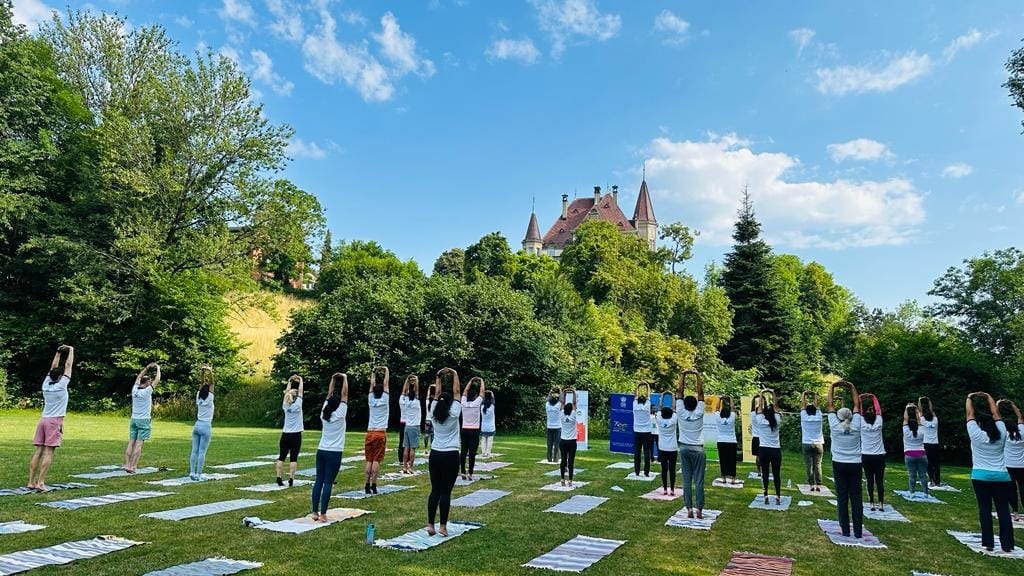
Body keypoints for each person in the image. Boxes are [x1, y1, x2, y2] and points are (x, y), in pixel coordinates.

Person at [966, 392, 1014, 553]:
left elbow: (970, 413)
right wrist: (988, 397)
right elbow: (996, 413)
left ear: (980, 424)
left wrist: (969, 398)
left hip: (980, 476)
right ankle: (1007, 544)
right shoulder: (1001, 432)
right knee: (1003, 511)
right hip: (1002, 476)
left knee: (984, 510)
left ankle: (989, 543)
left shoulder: (976, 434)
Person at [28, 345, 74, 491]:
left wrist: (58, 352)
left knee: (38, 451)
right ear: (60, 377)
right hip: (54, 421)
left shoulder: (46, 384)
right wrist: (71, 350)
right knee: (49, 452)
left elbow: (53, 367)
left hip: (43, 420)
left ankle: (31, 482)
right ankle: (41, 483)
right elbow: (68, 365)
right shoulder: (62, 385)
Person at [426, 368, 462, 537]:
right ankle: (442, 526)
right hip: (451, 454)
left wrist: (438, 377)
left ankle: (430, 524)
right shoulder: (454, 413)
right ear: (450, 403)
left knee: (435, 490)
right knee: (445, 492)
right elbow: (456, 392)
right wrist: (454, 374)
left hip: (435, 453)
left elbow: (437, 393)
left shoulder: (433, 411)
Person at [828, 380, 864, 539]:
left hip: (839, 463)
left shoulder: (835, 426)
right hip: (855, 463)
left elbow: (829, 405)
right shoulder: (857, 424)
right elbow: (857, 404)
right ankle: (857, 531)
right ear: (851, 415)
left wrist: (832, 387)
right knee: (856, 498)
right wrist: (852, 386)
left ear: (838, 416)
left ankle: (845, 530)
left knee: (842, 498)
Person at [311, 373, 348, 522]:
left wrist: (332, 379)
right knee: (327, 482)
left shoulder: (323, 414)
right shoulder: (340, 413)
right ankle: (323, 514)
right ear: (338, 405)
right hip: (334, 452)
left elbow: (329, 394)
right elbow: (345, 394)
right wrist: (344, 378)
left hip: (321, 450)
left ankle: (314, 512)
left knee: (319, 481)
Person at [676, 370, 706, 518]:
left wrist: (683, 376)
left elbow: (679, 392)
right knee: (699, 481)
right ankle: (699, 509)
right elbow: (701, 394)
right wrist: (697, 377)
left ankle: (689, 508)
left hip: (684, 448)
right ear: (696, 404)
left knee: (686, 480)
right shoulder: (700, 411)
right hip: (698, 449)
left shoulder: (680, 412)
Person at [124, 362, 160, 473]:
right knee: (139, 444)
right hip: (144, 420)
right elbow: (157, 379)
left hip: (134, 419)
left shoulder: (134, 390)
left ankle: (126, 464)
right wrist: (157, 368)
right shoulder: (147, 391)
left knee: (131, 442)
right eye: (149, 381)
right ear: (147, 382)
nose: (150, 383)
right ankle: (133, 466)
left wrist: (147, 368)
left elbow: (139, 377)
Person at [364, 366, 390, 494]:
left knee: (369, 459)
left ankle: (366, 485)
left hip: (369, 432)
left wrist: (373, 372)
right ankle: (374, 484)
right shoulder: (385, 399)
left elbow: (371, 384)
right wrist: (385, 370)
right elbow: (386, 383)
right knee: (376, 460)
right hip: (380, 433)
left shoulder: (370, 399)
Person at [755, 389, 783, 505]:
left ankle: (765, 495)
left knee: (765, 473)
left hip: (763, 450)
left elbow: (760, 408)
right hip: (775, 450)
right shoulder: (777, 421)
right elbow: (776, 406)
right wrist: (773, 394)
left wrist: (761, 395)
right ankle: (777, 496)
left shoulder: (760, 420)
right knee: (776, 474)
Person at [998, 399, 1024, 522]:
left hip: (1009, 466)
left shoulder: (1004, 435)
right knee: (1023, 489)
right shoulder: (1022, 433)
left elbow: (996, 418)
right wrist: (1012, 404)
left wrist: (997, 404)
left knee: (1011, 490)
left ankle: (1015, 513)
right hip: (1022, 466)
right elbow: (1019, 416)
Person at [276, 374, 304, 487]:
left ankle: (278, 477)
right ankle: (291, 479)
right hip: (296, 435)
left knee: (282, 456)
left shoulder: (285, 404)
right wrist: (300, 380)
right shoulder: (298, 404)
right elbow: (301, 391)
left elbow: (287, 392)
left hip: (285, 434)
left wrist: (290, 381)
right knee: (293, 457)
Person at [860, 393, 886, 511]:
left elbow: (859, 412)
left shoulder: (862, 423)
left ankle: (871, 503)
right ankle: (880, 504)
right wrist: (873, 397)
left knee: (869, 481)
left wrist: (860, 400)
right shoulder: (879, 423)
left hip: (866, 456)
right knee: (879, 481)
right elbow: (878, 410)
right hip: (879, 456)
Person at [189, 366, 215, 481]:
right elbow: (212, 383)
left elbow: (201, 383)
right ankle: (199, 474)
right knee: (202, 451)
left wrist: (202, 372)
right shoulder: (210, 397)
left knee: (194, 450)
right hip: (206, 426)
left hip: (197, 425)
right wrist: (210, 371)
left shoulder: (198, 396)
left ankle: (192, 472)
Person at [460, 377, 485, 480]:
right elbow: (482, 392)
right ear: (475, 396)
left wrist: (470, 381)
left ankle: (462, 472)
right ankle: (470, 473)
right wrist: (481, 381)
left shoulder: (463, 403)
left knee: (463, 451)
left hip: (464, 429)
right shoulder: (477, 403)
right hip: (474, 430)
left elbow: (465, 391)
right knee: (472, 453)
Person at [800, 390, 825, 492]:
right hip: (819, 443)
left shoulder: (804, 417)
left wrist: (804, 394)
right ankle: (818, 485)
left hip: (806, 443)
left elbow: (802, 405)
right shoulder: (819, 417)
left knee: (809, 465)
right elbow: (817, 405)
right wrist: (815, 395)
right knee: (817, 465)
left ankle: (811, 485)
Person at [903, 403, 929, 496]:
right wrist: (916, 410)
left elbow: (905, 419)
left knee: (912, 475)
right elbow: (919, 420)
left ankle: (912, 493)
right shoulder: (921, 431)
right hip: (922, 455)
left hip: (909, 455)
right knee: (923, 475)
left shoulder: (906, 431)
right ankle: (926, 493)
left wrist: (907, 408)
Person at [399, 375, 422, 474]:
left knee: (406, 448)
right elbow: (416, 391)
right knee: (412, 449)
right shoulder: (416, 403)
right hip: (415, 426)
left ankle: (404, 466)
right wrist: (416, 380)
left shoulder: (405, 402)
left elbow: (403, 392)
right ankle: (411, 467)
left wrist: (407, 380)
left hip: (407, 426)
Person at [657, 392, 679, 495]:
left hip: (662, 448)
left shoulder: (659, 420)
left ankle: (665, 489)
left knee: (664, 469)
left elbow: (659, 408)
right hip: (673, 448)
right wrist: (673, 397)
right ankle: (672, 489)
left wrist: (662, 397)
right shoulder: (673, 420)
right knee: (672, 469)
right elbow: (674, 408)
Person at [632, 382, 654, 478]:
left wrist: (638, 386)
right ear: (645, 401)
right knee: (647, 453)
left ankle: (637, 471)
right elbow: (649, 395)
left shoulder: (635, 406)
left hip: (637, 431)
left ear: (637, 401)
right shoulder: (647, 406)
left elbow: (635, 395)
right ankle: (646, 472)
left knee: (637, 452)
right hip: (647, 432)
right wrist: (647, 386)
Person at [919, 396, 941, 488]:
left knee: (929, 463)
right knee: (936, 463)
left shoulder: (923, 421)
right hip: (935, 444)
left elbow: (920, 411)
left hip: (926, 444)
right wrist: (929, 400)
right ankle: (938, 481)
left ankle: (931, 481)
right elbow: (932, 411)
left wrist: (919, 400)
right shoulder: (935, 421)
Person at [559, 387, 579, 487]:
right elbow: (574, 403)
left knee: (563, 460)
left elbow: (562, 402)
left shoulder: (562, 415)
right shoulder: (573, 416)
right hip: (571, 442)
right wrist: (574, 392)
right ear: (572, 409)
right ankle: (570, 480)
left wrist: (564, 392)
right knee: (571, 461)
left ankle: (562, 479)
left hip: (563, 441)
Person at [716, 396, 738, 484]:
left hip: (721, 441)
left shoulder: (718, 418)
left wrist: (720, 399)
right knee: (732, 460)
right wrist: (730, 398)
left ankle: (724, 478)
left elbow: (717, 408)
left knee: (723, 460)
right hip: (732, 441)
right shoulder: (732, 418)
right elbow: (732, 408)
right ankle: (733, 478)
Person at [545, 387, 561, 463]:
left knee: (549, 444)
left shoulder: (547, 404)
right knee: (557, 445)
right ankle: (556, 459)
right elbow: (562, 399)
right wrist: (560, 390)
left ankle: (549, 459)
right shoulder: (558, 405)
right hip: (557, 427)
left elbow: (548, 398)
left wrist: (551, 390)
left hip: (549, 427)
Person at [480, 389, 497, 458]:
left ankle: (483, 452)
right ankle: (488, 452)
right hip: (491, 426)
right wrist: (491, 392)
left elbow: (482, 400)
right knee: (490, 440)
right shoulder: (492, 406)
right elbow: (493, 399)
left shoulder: (481, 407)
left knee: (483, 440)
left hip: (483, 426)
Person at [749, 397, 761, 474]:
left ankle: (759, 471)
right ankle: (760, 470)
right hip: (759, 437)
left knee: (759, 456)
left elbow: (753, 407)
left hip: (759, 437)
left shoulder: (753, 413)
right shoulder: (755, 414)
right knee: (759, 456)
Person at [423, 384, 435, 451]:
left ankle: (425, 448)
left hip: (427, 420)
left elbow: (427, 396)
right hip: (433, 420)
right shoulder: (435, 402)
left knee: (426, 435)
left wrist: (429, 387)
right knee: (433, 435)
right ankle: (432, 448)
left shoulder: (427, 402)